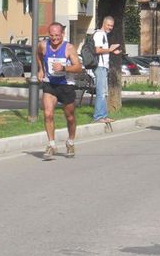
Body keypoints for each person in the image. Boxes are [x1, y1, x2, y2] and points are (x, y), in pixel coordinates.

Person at [37, 22, 83, 159]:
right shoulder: (43, 45)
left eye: (57, 35)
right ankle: (51, 145)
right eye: (51, 35)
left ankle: (70, 142)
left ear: (62, 34)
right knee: (48, 114)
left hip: (66, 85)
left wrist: (64, 68)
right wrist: (41, 69)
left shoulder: (69, 48)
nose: (54, 38)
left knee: (69, 116)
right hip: (50, 84)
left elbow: (78, 67)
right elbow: (38, 54)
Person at [92, 16, 121, 123]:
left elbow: (102, 50)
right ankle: (98, 116)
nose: (110, 27)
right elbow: (97, 49)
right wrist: (110, 49)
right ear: (103, 24)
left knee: (103, 92)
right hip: (99, 66)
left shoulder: (103, 35)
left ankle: (103, 115)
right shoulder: (99, 34)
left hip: (103, 66)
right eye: (108, 25)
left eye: (111, 26)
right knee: (101, 92)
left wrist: (111, 51)